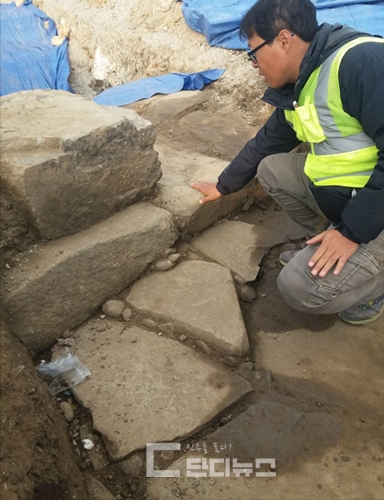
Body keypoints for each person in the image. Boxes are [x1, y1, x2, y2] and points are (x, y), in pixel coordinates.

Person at [191, 0, 384, 325]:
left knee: (299, 288)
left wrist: (351, 233)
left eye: (253, 52)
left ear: (283, 40)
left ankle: (373, 285)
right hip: (353, 196)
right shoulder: (302, 82)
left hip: (375, 212)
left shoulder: (360, 62)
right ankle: (325, 247)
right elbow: (267, 142)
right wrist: (223, 186)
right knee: (272, 169)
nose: (253, 64)